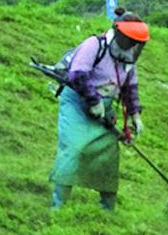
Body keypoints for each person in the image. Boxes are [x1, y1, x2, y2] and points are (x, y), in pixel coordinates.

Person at [49, 12, 149, 211]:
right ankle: (58, 205)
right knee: (74, 149)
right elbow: (77, 74)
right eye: (130, 40)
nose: (132, 46)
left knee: (108, 158)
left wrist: (135, 115)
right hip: (77, 103)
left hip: (104, 110)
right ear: (120, 35)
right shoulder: (94, 45)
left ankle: (107, 210)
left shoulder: (128, 59)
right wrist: (93, 100)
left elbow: (130, 89)